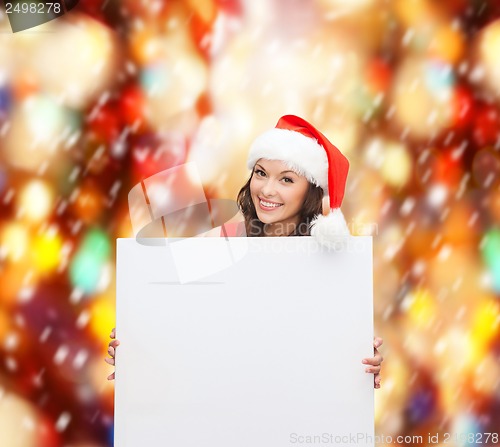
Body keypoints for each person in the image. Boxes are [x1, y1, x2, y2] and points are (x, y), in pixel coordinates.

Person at [106, 115, 384, 388]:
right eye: (261, 173)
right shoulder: (224, 241)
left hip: (296, 407)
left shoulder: (331, 261)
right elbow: (170, 311)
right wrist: (136, 346)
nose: (266, 190)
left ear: (310, 192)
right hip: (226, 404)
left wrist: (361, 358)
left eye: (286, 180)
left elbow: (333, 342)